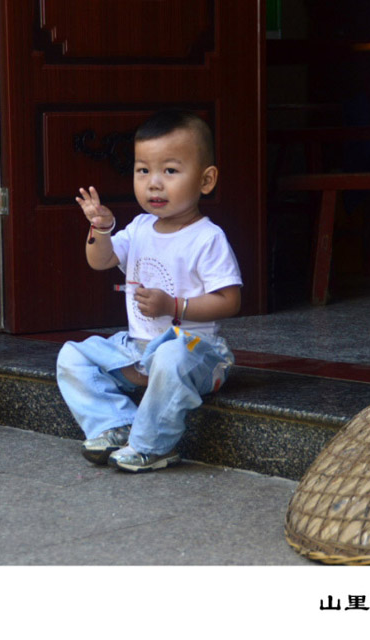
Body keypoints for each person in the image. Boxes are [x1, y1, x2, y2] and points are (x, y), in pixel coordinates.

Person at [56, 109, 243, 473]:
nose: (154, 184)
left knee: (171, 356)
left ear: (206, 180)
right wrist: (102, 229)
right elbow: (101, 260)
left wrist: (173, 306)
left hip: (194, 353)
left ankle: (151, 447)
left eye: (170, 171)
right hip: (138, 350)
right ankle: (116, 425)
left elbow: (230, 301)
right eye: (143, 170)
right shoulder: (140, 227)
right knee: (73, 356)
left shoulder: (207, 238)